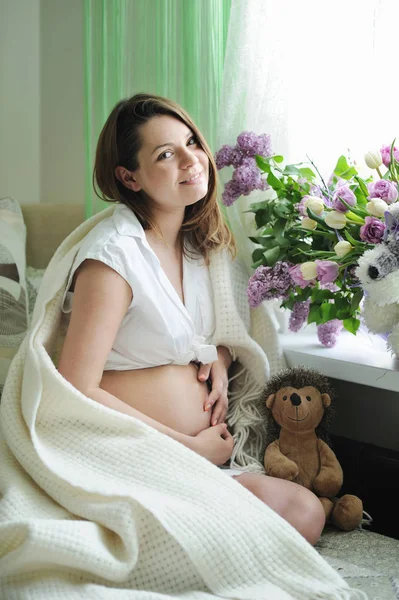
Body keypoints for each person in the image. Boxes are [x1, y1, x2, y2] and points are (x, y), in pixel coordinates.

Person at [57, 93, 325, 545]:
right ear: (130, 177)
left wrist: (219, 360)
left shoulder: (201, 245)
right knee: (290, 521)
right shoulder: (114, 256)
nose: (191, 159)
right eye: (165, 154)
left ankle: (180, 525)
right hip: (131, 453)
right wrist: (188, 447)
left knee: (305, 511)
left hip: (203, 456)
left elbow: (211, 331)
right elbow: (75, 386)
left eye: (191, 142)